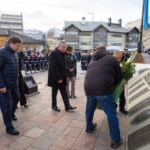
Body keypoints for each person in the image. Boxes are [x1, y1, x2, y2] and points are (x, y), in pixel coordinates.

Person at [84, 45, 123, 149]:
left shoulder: (92, 59)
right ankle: (116, 140)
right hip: (103, 89)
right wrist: (112, 85)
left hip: (88, 88)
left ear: (96, 51)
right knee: (111, 114)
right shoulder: (111, 58)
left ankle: (89, 127)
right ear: (105, 50)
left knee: (90, 109)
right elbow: (120, 76)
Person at [0, 36, 22, 135]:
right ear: (10, 43)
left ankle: (11, 114)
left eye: (19, 46)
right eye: (17, 45)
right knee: (6, 106)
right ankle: (9, 127)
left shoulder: (15, 53)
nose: (18, 48)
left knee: (17, 98)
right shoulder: (2, 53)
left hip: (14, 83)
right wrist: (1, 85)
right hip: (5, 86)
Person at [47, 41, 77, 112]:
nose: (65, 48)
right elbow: (53, 67)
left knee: (64, 93)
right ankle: (54, 106)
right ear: (58, 46)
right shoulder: (54, 53)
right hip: (56, 78)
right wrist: (58, 78)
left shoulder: (63, 54)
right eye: (63, 47)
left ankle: (67, 106)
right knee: (54, 93)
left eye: (65, 47)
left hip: (63, 77)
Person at [113, 48, 128, 115]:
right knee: (114, 96)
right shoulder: (112, 60)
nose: (120, 55)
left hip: (121, 81)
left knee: (122, 96)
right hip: (113, 81)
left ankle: (122, 108)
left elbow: (127, 68)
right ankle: (114, 108)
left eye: (121, 54)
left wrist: (126, 78)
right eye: (118, 54)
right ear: (115, 54)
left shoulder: (125, 59)